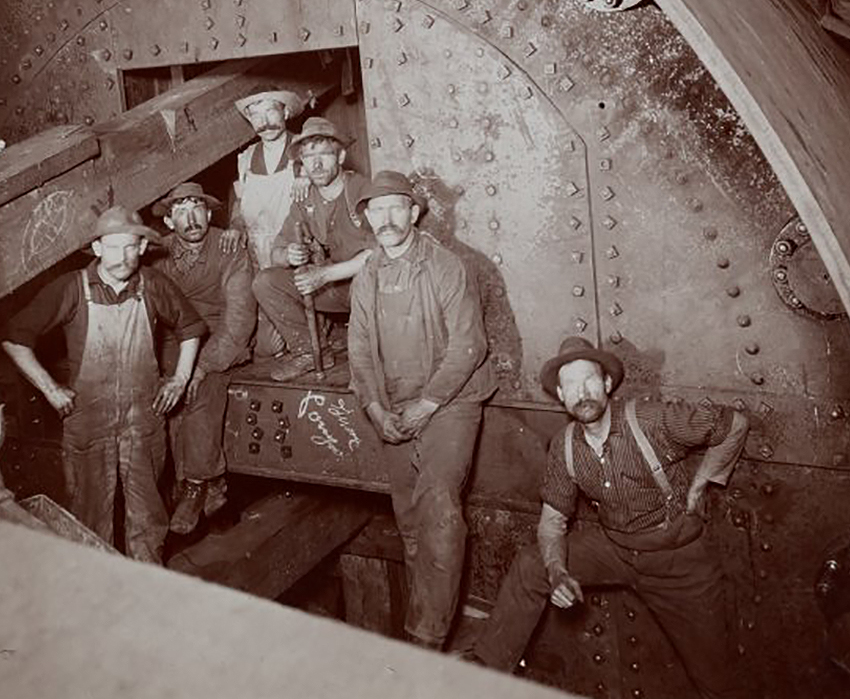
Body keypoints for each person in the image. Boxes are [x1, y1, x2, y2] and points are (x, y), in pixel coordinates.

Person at [469, 337, 748, 699]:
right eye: (570, 385)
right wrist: (558, 572)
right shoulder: (565, 445)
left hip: (677, 560)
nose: (581, 392)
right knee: (532, 564)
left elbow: (734, 423)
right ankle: (482, 677)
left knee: (716, 679)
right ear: (560, 394)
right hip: (615, 549)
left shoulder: (650, 419)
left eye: (588, 381)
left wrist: (702, 483)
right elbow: (552, 522)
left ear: (606, 384)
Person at [1, 205, 206, 563]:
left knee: (148, 520)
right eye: (113, 246)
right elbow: (15, 338)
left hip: (144, 421)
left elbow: (191, 328)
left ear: (142, 248)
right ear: (97, 248)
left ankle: (146, 593)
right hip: (88, 424)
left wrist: (179, 379)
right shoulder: (72, 288)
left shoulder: (153, 285)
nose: (123, 256)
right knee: (89, 520)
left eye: (131, 246)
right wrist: (50, 389)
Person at [348, 170, 496, 650]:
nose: (386, 219)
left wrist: (429, 403)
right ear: (366, 218)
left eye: (396, 208)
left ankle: (426, 638)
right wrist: (374, 408)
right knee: (408, 520)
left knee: (437, 509)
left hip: (449, 399)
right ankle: (424, 619)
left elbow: (469, 345)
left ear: (414, 213)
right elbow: (360, 350)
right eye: (377, 209)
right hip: (393, 402)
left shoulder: (446, 265)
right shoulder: (367, 272)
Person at [152, 181, 256, 534]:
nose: (191, 217)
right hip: (171, 342)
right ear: (168, 222)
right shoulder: (157, 253)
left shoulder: (228, 250)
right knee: (157, 393)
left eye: (197, 207)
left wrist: (202, 366)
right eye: (180, 210)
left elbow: (239, 319)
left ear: (210, 214)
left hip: (217, 339)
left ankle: (195, 483)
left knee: (199, 389)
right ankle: (207, 484)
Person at [253, 117, 374, 379]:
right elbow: (275, 253)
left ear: (341, 156)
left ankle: (371, 358)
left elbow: (380, 254)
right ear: (302, 164)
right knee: (265, 281)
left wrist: (324, 275)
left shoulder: (361, 190)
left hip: (367, 290)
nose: (316, 164)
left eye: (324, 155)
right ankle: (310, 351)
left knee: (368, 280)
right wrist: (289, 254)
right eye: (308, 157)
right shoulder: (304, 198)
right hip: (329, 290)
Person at [228, 87, 306, 358]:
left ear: (285, 112)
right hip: (257, 253)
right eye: (256, 116)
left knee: (276, 345)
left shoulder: (304, 149)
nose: (265, 122)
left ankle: (320, 322)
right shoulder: (245, 159)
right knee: (264, 349)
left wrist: (308, 179)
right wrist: (235, 226)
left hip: (292, 253)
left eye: (271, 111)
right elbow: (239, 206)